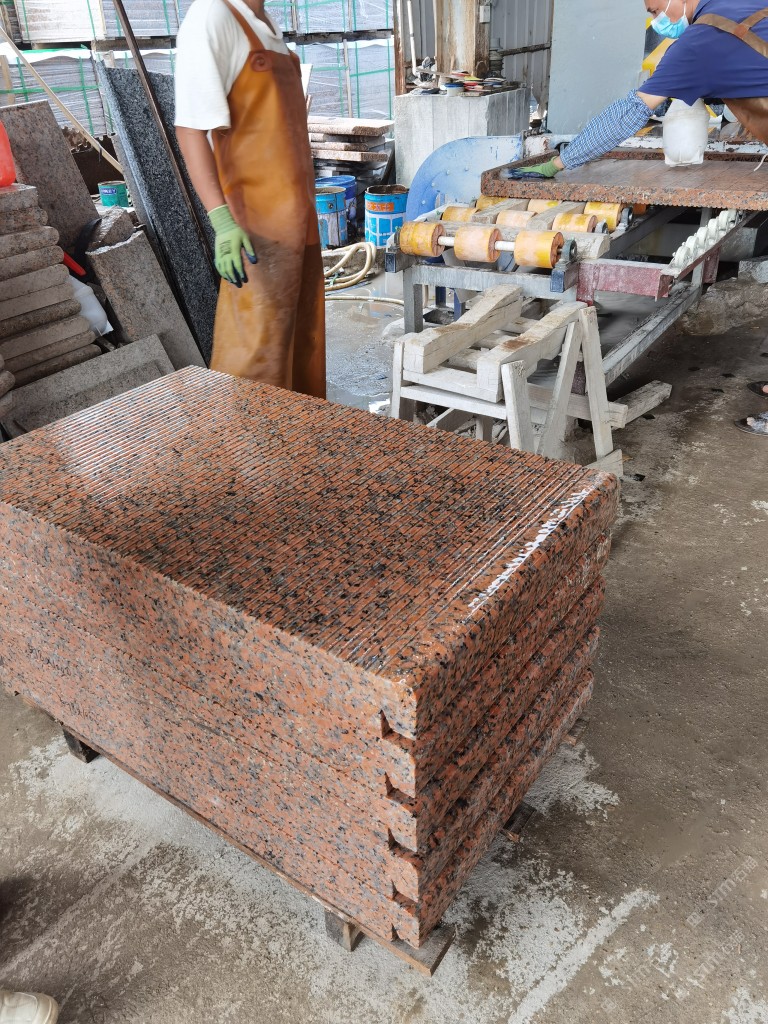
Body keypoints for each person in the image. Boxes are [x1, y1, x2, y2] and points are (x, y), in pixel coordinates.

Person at [506, 0, 768, 436]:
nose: (654, 18)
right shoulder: (740, 4)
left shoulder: (698, 43)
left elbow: (629, 112)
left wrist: (560, 162)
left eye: (654, 6)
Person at [173, 0, 326, 398]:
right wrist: (222, 221)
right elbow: (190, 129)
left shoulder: (265, 24)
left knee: (302, 347)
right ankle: (243, 440)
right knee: (256, 358)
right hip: (256, 230)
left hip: (300, 221)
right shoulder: (213, 16)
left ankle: (302, 434)